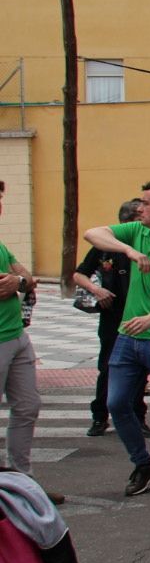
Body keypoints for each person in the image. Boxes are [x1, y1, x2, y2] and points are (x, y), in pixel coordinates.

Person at [84, 181, 150, 497]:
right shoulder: (136, 232)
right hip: (127, 336)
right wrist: (128, 250)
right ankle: (143, 464)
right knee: (116, 403)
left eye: (146, 203)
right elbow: (93, 233)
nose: (139, 208)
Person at [73, 199, 150, 438]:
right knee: (107, 368)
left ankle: (139, 417)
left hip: (138, 318)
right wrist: (97, 291)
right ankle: (99, 417)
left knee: (139, 370)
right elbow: (79, 274)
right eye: (138, 219)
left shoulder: (145, 244)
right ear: (127, 222)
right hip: (112, 317)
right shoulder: (105, 247)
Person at [0, 180, 41, 484]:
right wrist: (19, 281)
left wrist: (20, 283)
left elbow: (26, 276)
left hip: (16, 335)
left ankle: (21, 480)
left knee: (27, 406)